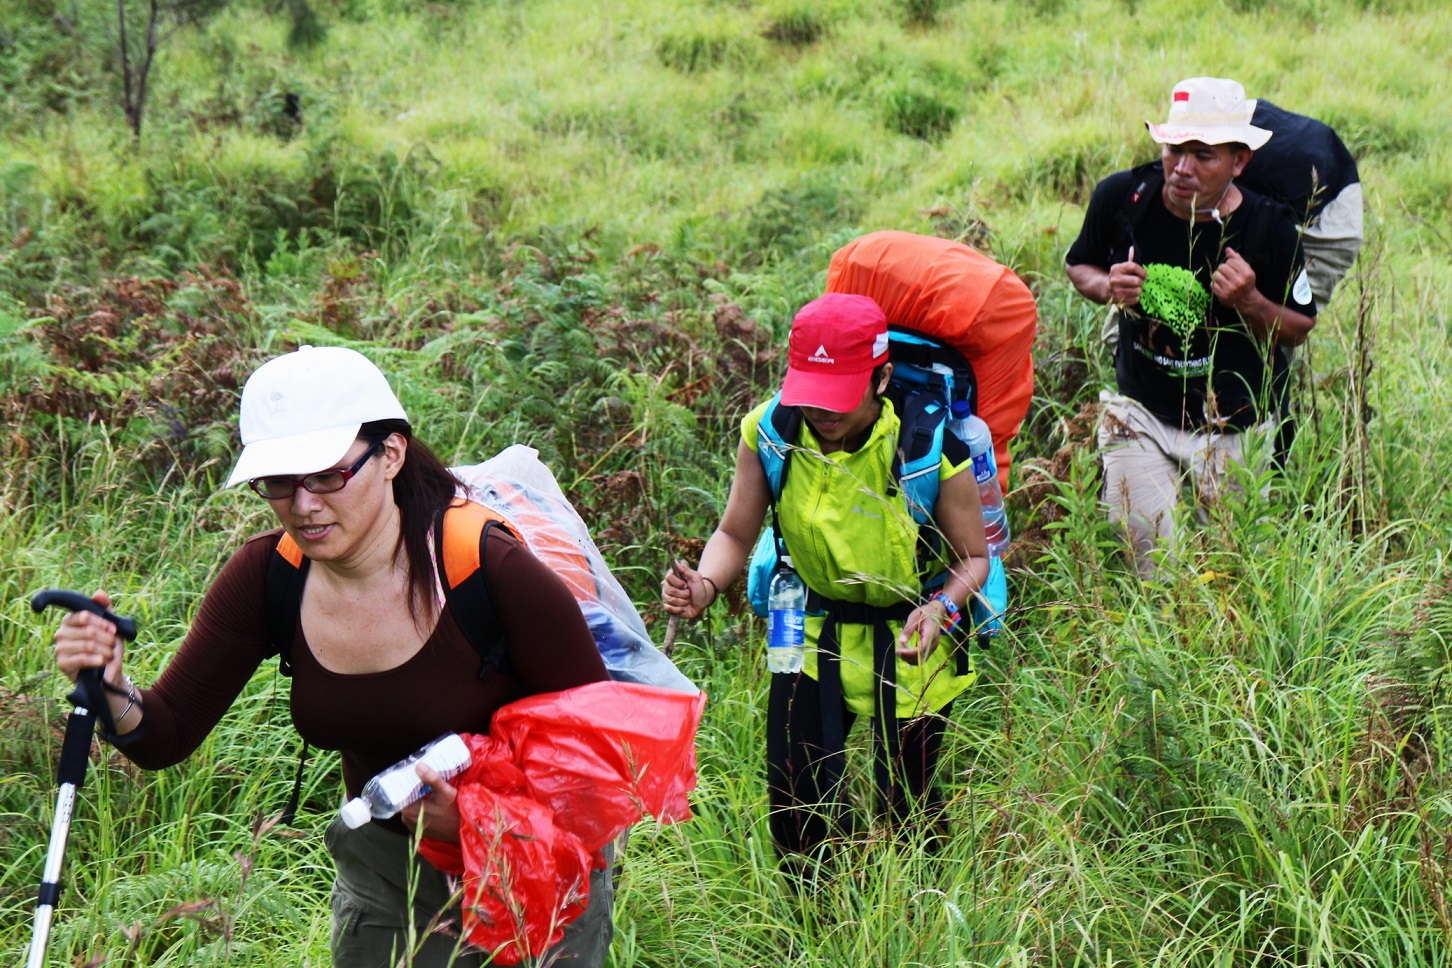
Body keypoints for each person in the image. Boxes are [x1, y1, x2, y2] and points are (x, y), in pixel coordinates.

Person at [51, 345, 615, 968]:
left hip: (532, 860)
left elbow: (602, 759)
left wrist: (478, 825)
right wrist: (109, 686)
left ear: (391, 454)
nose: (304, 504)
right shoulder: (269, 576)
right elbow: (165, 733)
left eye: (327, 475)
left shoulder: (489, 569)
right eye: (279, 482)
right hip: (385, 867)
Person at [661, 293, 990, 864]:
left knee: (908, 801)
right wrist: (706, 586)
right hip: (799, 613)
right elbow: (735, 534)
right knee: (794, 791)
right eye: (812, 396)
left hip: (911, 625)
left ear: (882, 378)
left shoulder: (930, 448)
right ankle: (816, 917)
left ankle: (916, 915)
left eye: (838, 398)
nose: (822, 413)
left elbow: (973, 559)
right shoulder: (772, 432)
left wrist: (942, 608)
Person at [1064, 76, 1318, 577]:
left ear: (1239, 160)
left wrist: (1250, 301)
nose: (1182, 168)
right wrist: (1107, 287)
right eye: (1174, 148)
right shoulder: (1124, 197)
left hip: (1234, 426)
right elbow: (1080, 265)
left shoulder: (1271, 228)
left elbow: (1298, 328)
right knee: (1149, 556)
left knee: (1231, 568)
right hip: (1142, 412)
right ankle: (1159, 642)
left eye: (1203, 155)